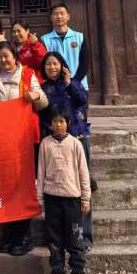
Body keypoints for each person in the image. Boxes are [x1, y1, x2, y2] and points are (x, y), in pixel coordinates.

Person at [0, 42, 48, 256]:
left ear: (15, 56)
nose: (3, 60)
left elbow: (43, 102)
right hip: (1, 141)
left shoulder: (28, 75)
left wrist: (35, 96)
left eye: (7, 56)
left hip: (24, 140)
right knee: (4, 188)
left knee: (22, 187)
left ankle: (23, 235)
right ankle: (9, 235)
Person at [40, 51, 95, 252]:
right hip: (55, 143)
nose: (52, 67)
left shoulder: (73, 83)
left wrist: (69, 82)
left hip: (77, 139)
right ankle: (60, 237)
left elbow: (82, 100)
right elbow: (42, 115)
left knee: (83, 184)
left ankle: (84, 236)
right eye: (48, 64)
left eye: (55, 63)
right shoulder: (43, 88)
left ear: (62, 65)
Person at [37, 109, 91, 274]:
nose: (58, 125)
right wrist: (40, 198)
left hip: (72, 198)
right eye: (55, 121)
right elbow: (41, 171)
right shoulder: (45, 144)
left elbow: (83, 172)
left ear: (68, 123)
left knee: (75, 239)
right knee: (54, 240)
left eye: (62, 121)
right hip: (52, 198)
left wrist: (85, 198)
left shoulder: (75, 144)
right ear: (50, 124)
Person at [41, 4, 90, 92]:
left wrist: (74, 82)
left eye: (62, 13)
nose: (59, 16)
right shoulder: (44, 39)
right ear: (51, 18)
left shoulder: (80, 37)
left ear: (68, 16)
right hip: (55, 88)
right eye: (55, 14)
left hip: (79, 85)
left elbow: (84, 62)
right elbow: (44, 64)